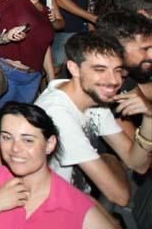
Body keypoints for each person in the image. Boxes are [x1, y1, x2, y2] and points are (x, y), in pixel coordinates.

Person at [35, 33, 152, 207]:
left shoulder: (94, 99)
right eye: (100, 69)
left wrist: (149, 118)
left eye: (118, 70)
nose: (113, 81)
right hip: (53, 211)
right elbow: (120, 196)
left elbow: (138, 164)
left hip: (78, 203)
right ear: (74, 68)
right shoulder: (57, 114)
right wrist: (109, 159)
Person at [0, 102, 117, 229]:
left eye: (28, 140)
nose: (15, 148)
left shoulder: (76, 205)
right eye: (6, 137)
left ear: (49, 144)